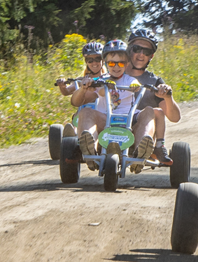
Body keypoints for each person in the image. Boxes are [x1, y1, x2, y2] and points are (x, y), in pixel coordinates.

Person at [72, 40, 140, 169]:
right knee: (85, 112)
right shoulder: (102, 79)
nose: (116, 67)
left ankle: (140, 151)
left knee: (149, 112)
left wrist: (134, 87)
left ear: (127, 64)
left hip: (126, 123)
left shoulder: (129, 79)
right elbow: (76, 101)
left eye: (120, 63)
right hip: (105, 122)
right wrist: (84, 86)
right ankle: (89, 147)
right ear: (106, 63)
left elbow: (136, 84)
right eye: (111, 63)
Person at [125, 28, 180, 170]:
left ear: (151, 56)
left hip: (139, 128)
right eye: (137, 49)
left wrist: (168, 97)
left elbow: (174, 117)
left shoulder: (154, 81)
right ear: (129, 50)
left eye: (146, 52)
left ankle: (144, 150)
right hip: (111, 125)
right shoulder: (115, 73)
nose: (141, 55)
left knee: (153, 111)